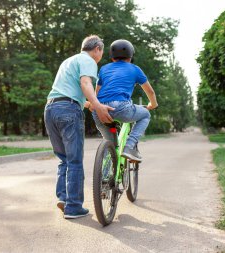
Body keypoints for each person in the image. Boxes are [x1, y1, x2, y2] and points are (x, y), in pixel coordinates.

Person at [44, 35, 114, 219]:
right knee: (74, 160)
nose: (101, 55)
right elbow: (85, 83)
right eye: (102, 51)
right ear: (97, 48)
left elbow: (71, 92)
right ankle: (73, 207)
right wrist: (98, 106)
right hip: (68, 110)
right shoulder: (88, 60)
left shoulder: (69, 61)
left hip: (51, 109)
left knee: (64, 159)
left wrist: (91, 104)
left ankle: (65, 199)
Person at [92, 39, 158, 162]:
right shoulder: (135, 69)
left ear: (112, 57)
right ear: (130, 57)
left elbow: (96, 92)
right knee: (145, 115)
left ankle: (106, 175)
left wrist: (94, 106)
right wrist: (153, 104)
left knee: (111, 144)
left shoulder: (104, 69)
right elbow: (150, 92)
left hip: (99, 110)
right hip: (121, 107)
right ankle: (129, 147)